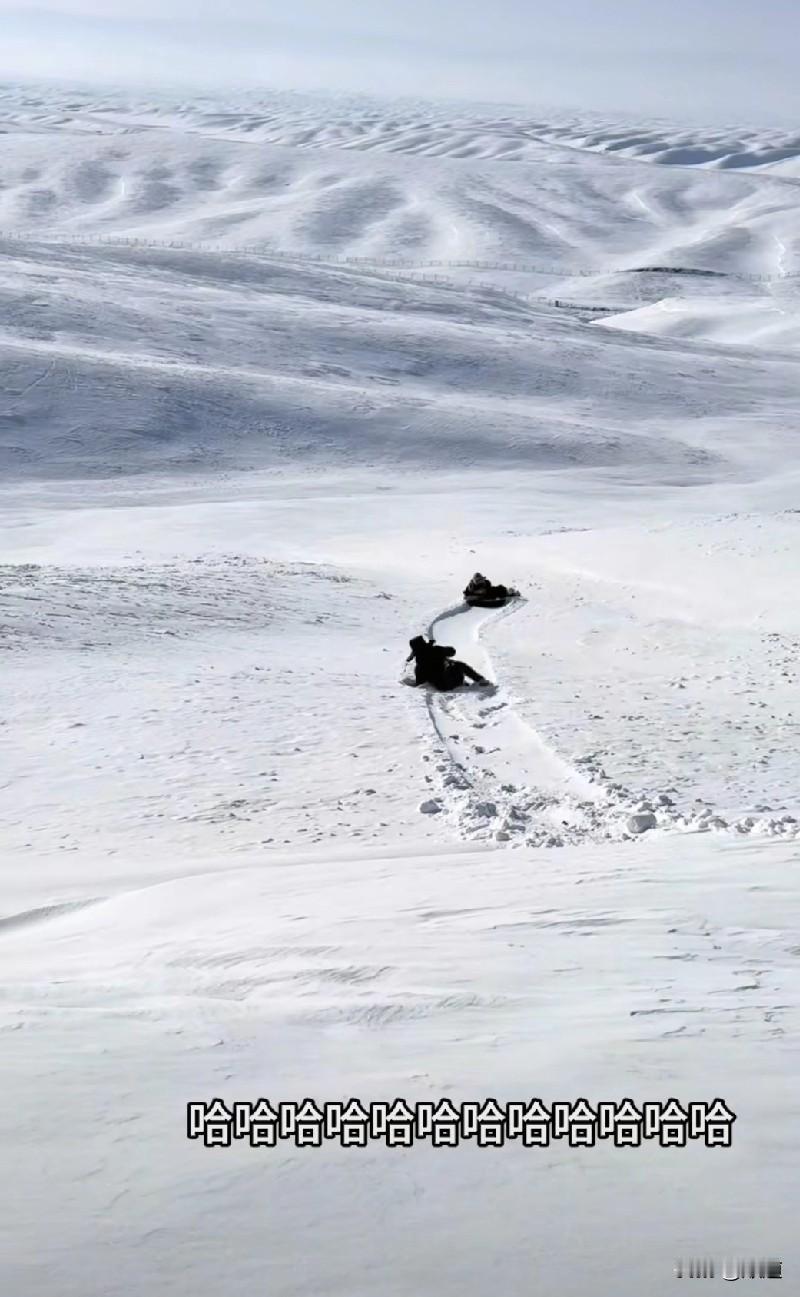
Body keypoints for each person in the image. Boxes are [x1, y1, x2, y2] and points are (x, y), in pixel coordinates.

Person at [406, 635, 489, 691]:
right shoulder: (436, 650)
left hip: (440, 686)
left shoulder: (419, 664)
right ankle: (480, 680)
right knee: (459, 664)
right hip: (449, 683)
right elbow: (452, 651)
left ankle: (461, 682)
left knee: (449, 663)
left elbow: (420, 682)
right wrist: (436, 648)